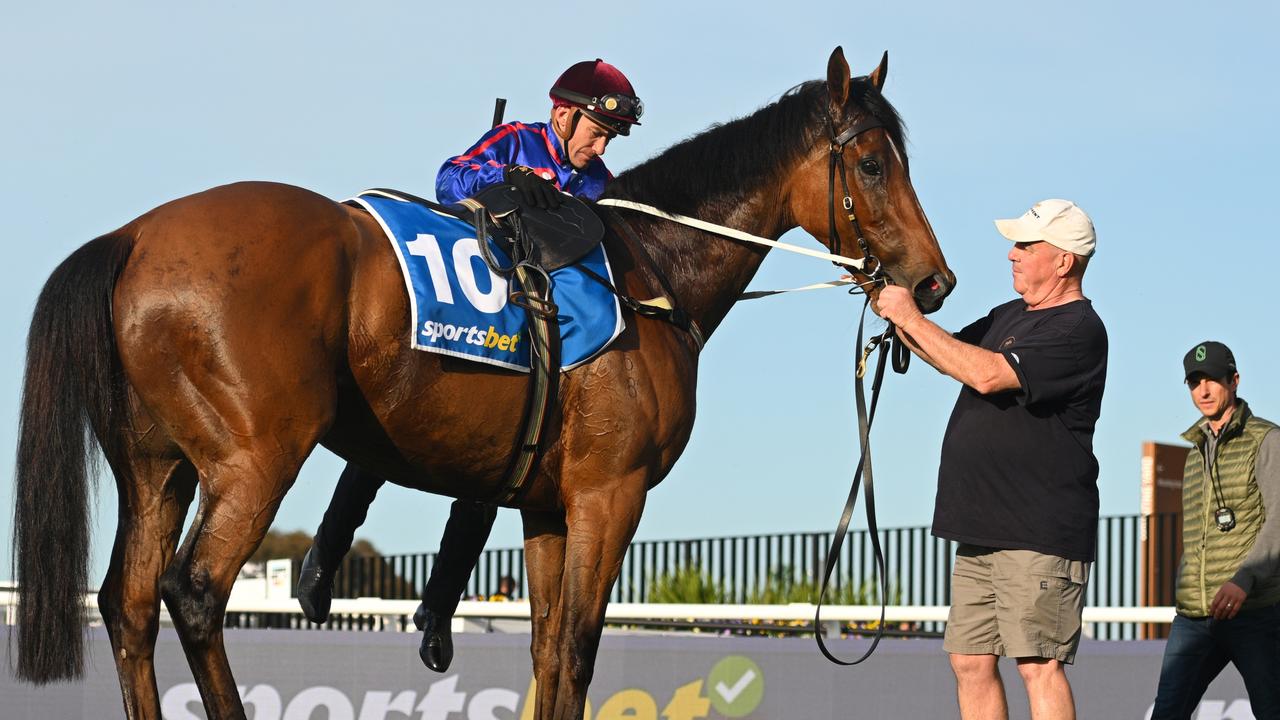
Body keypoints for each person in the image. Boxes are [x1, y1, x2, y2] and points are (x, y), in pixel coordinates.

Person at [297, 58, 642, 674]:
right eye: (595, 129)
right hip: (468, 297)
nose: (600, 144)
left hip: (525, 335)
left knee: (489, 478)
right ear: (562, 113)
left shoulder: (599, 183)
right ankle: (327, 548)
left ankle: (437, 608)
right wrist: (510, 181)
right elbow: (449, 179)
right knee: (389, 424)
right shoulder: (518, 140)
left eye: (611, 136)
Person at [877, 199, 1107, 720]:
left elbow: (986, 374)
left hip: (1038, 532)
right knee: (969, 661)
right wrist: (887, 300)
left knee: (1038, 664)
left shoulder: (1078, 329)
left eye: (1026, 245)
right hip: (982, 528)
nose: (1012, 253)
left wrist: (909, 315)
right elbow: (947, 355)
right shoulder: (1009, 315)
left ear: (1064, 260)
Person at [1150, 342, 1280, 719]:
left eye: (1212, 380)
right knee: (1167, 713)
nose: (1203, 390)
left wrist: (1244, 579)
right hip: (1195, 616)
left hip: (1255, 611)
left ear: (1234, 380)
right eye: (1194, 382)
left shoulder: (1266, 440)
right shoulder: (1194, 453)